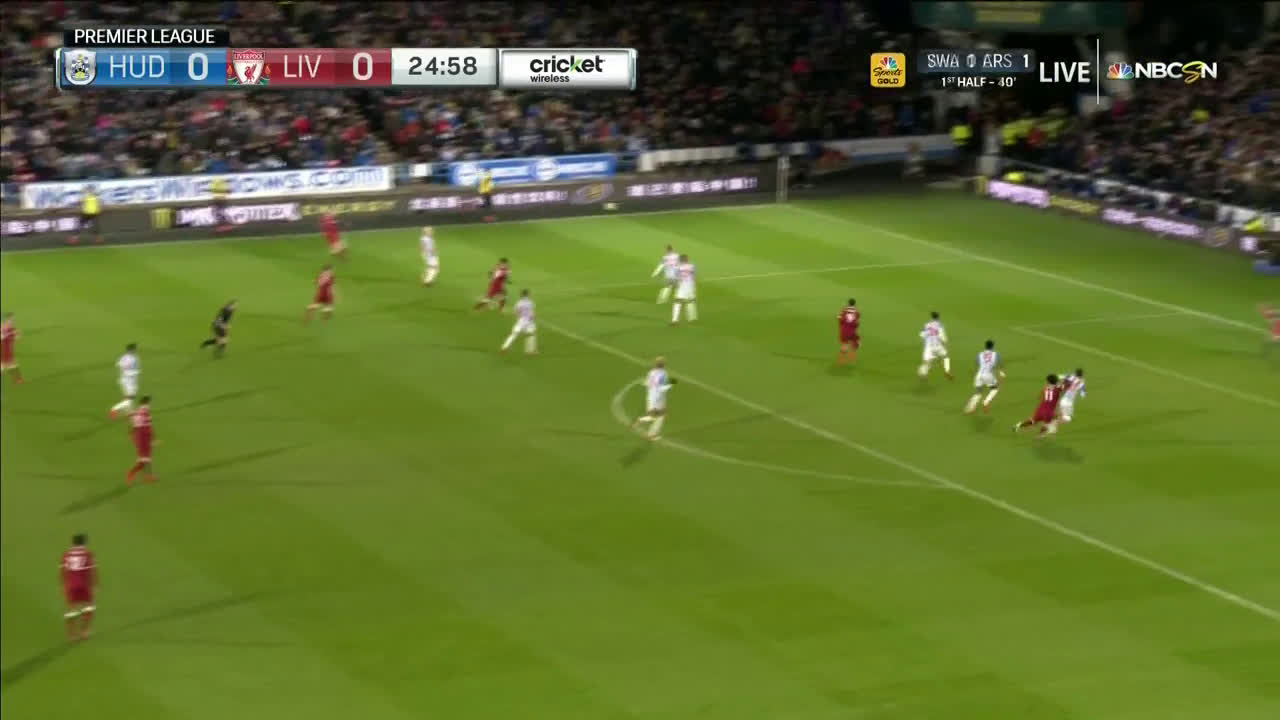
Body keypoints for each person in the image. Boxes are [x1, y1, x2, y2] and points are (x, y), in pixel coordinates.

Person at [60, 534, 97, 641]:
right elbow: (92, 571)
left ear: (73, 543)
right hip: (84, 584)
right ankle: (84, 631)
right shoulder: (87, 554)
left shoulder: (66, 554)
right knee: (88, 606)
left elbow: (62, 571)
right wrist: (94, 585)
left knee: (71, 609)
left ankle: (71, 634)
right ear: (84, 543)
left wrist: (63, 585)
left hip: (71, 585)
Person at [633, 357, 677, 441]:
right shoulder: (663, 374)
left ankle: (641, 421)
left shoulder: (651, 372)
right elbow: (660, 388)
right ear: (663, 365)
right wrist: (671, 384)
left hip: (650, 396)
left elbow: (647, 383)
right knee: (660, 416)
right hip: (659, 398)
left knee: (653, 416)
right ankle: (651, 434)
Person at [964, 340, 1004, 414]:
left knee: (978, 392)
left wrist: (973, 373)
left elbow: (977, 366)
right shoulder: (996, 354)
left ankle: (972, 407)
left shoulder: (979, 354)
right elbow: (1000, 366)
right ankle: (986, 402)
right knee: (995, 389)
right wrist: (1001, 375)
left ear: (985, 346)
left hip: (979, 375)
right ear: (993, 346)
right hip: (988, 375)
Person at [127, 395, 155, 484]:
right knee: (146, 458)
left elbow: (133, 424)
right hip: (144, 436)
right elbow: (149, 427)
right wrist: (153, 438)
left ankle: (143, 475)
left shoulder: (137, 412)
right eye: (148, 403)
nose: (149, 405)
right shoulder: (145, 413)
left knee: (144, 459)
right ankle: (147, 476)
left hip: (139, 436)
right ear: (145, 403)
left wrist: (131, 434)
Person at [500, 290, 538, 355]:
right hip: (529, 322)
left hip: (520, 321)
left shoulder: (518, 303)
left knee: (513, 334)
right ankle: (530, 351)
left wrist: (519, 316)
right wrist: (533, 317)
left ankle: (504, 347)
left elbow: (516, 313)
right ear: (527, 295)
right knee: (531, 335)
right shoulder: (530, 302)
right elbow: (532, 314)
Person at [917, 311, 952, 380]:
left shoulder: (927, 325)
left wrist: (928, 336)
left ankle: (923, 374)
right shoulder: (939, 325)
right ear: (938, 318)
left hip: (928, 346)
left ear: (931, 317)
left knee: (927, 362)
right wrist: (946, 344)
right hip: (937, 345)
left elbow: (922, 335)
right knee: (946, 357)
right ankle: (947, 371)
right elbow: (942, 337)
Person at [109, 343, 140, 418]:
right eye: (135, 349)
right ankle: (114, 409)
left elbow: (118, 364)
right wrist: (134, 371)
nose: (136, 350)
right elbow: (134, 369)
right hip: (130, 380)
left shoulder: (123, 357)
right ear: (132, 350)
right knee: (130, 399)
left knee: (127, 398)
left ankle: (129, 412)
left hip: (123, 380)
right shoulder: (134, 358)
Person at [672, 254, 698, 324]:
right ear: (687, 260)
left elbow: (676, 277)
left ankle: (675, 320)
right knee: (690, 301)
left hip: (682, 286)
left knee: (677, 301)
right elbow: (694, 276)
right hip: (690, 286)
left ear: (680, 260)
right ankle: (692, 318)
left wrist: (675, 284)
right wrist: (694, 287)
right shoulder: (692, 266)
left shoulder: (677, 267)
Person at [0, 312, 23, 384]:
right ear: (6, 320)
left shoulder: (12, 329)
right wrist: (9, 334)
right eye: (11, 319)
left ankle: (18, 379)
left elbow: (17, 338)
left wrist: (15, 334)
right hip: (4, 350)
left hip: (8, 350)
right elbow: (2, 337)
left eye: (13, 320)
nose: (12, 321)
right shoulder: (3, 328)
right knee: (10, 365)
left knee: (8, 365)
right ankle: (18, 379)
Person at [837, 299, 861, 365]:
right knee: (857, 342)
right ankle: (852, 356)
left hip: (843, 331)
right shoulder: (857, 312)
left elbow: (838, 318)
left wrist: (842, 325)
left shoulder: (844, 310)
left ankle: (841, 360)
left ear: (848, 303)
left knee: (845, 344)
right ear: (855, 304)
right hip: (852, 331)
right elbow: (857, 323)